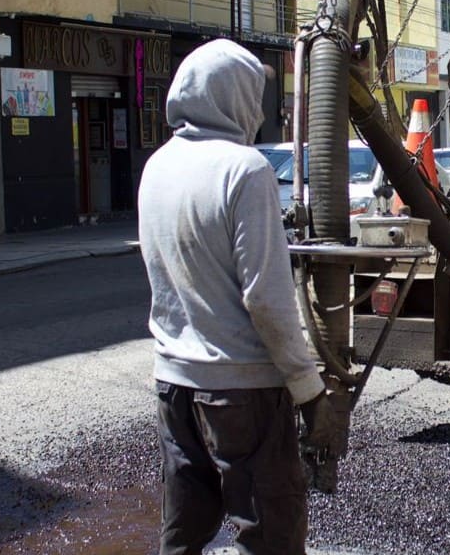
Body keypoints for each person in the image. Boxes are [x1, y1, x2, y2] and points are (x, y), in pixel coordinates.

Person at [138, 39, 324, 555]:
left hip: (174, 383)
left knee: (184, 530)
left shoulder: (157, 166)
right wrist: (309, 389)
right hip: (243, 388)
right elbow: (266, 297)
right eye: (254, 93)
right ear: (234, 95)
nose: (258, 108)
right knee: (269, 533)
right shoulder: (245, 169)